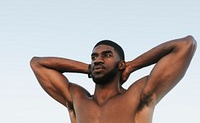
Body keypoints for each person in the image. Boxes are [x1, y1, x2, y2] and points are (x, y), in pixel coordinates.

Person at [30, 35, 196, 123]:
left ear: (120, 64)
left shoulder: (137, 95)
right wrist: (88, 68)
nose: (98, 60)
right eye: (94, 57)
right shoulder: (77, 99)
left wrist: (132, 66)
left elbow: (186, 45)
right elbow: (37, 63)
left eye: (106, 55)